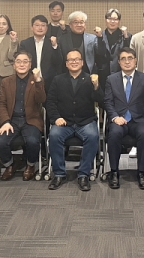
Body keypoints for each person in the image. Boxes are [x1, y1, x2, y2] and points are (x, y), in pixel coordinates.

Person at [46, 49, 103, 191]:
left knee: (93, 136)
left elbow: (101, 101)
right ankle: (59, 174)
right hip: (64, 121)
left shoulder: (90, 79)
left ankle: (83, 174)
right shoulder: (58, 80)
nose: (74, 62)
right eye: (71, 60)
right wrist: (56, 118)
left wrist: (96, 86)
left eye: (77, 59)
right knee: (54, 135)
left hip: (85, 121)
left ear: (82, 62)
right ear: (66, 63)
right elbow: (50, 102)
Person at [103, 47, 144, 190]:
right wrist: (114, 117)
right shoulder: (111, 79)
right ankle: (114, 172)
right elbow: (108, 102)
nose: (127, 61)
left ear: (135, 60)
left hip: (139, 119)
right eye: (123, 59)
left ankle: (141, 172)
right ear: (119, 62)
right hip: (119, 119)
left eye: (130, 58)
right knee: (114, 133)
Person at [0, 50, 46, 181]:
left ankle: (30, 165)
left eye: (25, 62)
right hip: (11, 120)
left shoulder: (36, 80)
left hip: (31, 120)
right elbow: (1, 103)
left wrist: (38, 80)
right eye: (18, 62)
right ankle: (10, 165)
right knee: (0, 142)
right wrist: (5, 121)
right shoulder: (6, 82)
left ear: (30, 65)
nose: (22, 64)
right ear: (14, 65)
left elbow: (41, 99)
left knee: (33, 141)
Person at [19, 15, 62, 93]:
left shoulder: (53, 42)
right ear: (32, 27)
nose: (40, 28)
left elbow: (58, 62)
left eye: (43, 25)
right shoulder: (25, 44)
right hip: (30, 81)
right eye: (37, 25)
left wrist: (55, 46)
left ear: (47, 28)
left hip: (49, 82)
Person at [58, 11, 105, 76]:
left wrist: (100, 37)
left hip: (88, 75)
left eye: (81, 22)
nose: (79, 25)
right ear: (70, 25)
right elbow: (59, 59)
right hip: (67, 76)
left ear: (85, 24)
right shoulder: (62, 39)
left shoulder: (92, 38)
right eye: (76, 22)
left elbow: (101, 53)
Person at [96, 8, 132, 91]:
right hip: (103, 75)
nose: (112, 21)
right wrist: (100, 38)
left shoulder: (126, 36)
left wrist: (126, 37)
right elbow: (99, 53)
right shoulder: (100, 35)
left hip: (121, 73)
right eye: (110, 19)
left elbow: (129, 54)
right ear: (105, 20)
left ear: (119, 21)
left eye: (115, 19)